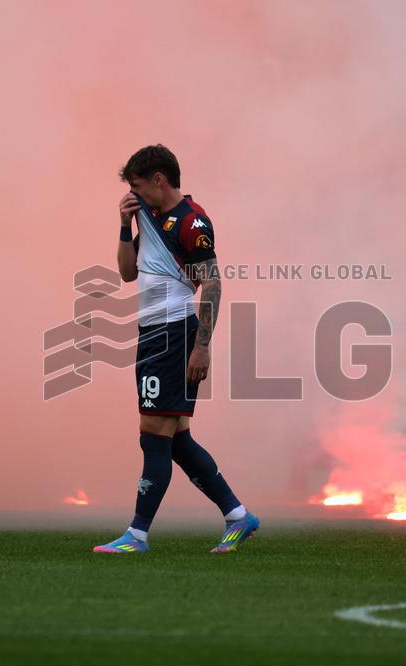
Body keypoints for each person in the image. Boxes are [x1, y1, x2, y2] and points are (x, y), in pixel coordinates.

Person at [93, 144, 260, 554]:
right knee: (178, 439)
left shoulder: (192, 222)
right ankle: (238, 516)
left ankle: (137, 535)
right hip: (151, 333)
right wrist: (123, 225)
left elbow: (214, 283)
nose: (133, 195)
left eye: (137, 187)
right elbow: (127, 273)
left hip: (173, 333)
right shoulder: (147, 217)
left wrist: (201, 347)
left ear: (158, 180)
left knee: (153, 436)